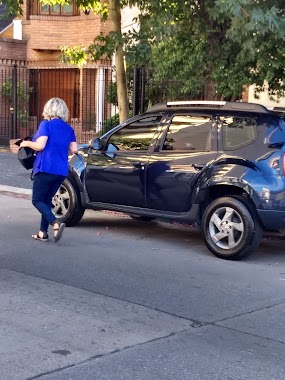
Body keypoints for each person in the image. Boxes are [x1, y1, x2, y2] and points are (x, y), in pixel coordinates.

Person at [20, 97, 78, 242]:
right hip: (61, 171)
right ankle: (42, 233)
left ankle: (55, 222)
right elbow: (74, 150)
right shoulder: (69, 128)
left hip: (46, 168)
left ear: (49, 109)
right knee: (46, 201)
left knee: (37, 200)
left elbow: (40, 146)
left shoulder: (46, 124)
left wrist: (26, 142)